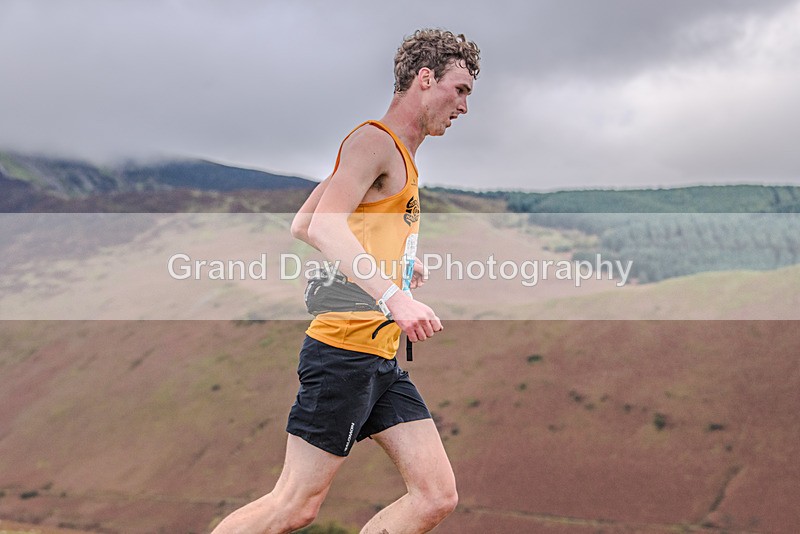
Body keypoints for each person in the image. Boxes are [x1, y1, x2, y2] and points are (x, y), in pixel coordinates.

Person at [212, 28, 480, 534]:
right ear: (426, 79)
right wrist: (393, 295)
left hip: (380, 360)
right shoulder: (372, 141)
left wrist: (393, 267)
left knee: (435, 496)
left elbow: (304, 222)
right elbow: (323, 225)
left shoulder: (399, 153)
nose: (464, 106)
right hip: (342, 352)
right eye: (460, 90)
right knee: (293, 505)